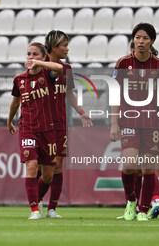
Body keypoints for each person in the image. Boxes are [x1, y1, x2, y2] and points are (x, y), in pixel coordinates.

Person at [110, 23, 159, 221]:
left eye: (145, 38)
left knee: (149, 168)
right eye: (137, 37)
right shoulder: (123, 63)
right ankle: (131, 201)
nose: (140, 42)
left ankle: (142, 210)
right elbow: (115, 95)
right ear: (133, 39)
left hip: (152, 124)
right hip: (129, 121)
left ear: (152, 41)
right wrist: (114, 124)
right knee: (130, 164)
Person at [37, 30, 93, 218]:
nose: (67, 49)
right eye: (64, 45)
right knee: (43, 168)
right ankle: (34, 202)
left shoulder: (67, 68)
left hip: (60, 123)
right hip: (41, 123)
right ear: (53, 47)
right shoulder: (39, 68)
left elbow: (69, 93)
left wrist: (82, 113)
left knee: (58, 165)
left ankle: (52, 208)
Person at [7, 42, 63, 219]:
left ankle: (38, 199)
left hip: (48, 130)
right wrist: (9, 120)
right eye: (29, 54)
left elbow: (60, 67)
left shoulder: (48, 75)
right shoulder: (19, 79)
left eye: (35, 54)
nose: (31, 58)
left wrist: (41, 64)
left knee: (47, 175)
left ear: (44, 57)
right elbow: (15, 102)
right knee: (31, 167)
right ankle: (34, 210)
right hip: (28, 129)